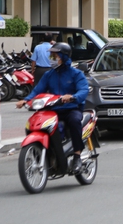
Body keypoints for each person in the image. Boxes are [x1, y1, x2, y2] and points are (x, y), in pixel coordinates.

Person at [16, 43, 89, 174]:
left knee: (74, 121)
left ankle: (77, 156)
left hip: (71, 109)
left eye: (55, 55)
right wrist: (26, 100)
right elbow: (37, 90)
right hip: (53, 110)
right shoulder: (49, 75)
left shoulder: (76, 74)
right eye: (51, 55)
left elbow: (83, 90)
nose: (52, 58)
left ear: (64, 57)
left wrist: (72, 97)